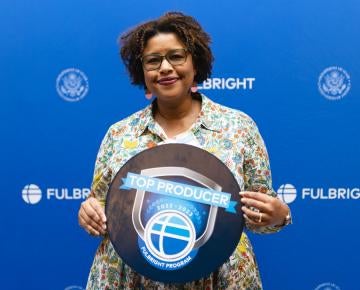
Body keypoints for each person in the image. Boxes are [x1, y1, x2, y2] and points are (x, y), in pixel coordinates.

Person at [78, 11, 292, 290]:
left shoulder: (238, 128)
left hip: (219, 276)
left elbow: (259, 215)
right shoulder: (119, 134)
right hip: (129, 277)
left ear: (195, 62)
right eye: (153, 60)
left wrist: (279, 215)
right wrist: (89, 212)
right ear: (142, 71)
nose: (165, 67)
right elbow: (101, 206)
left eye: (176, 56)